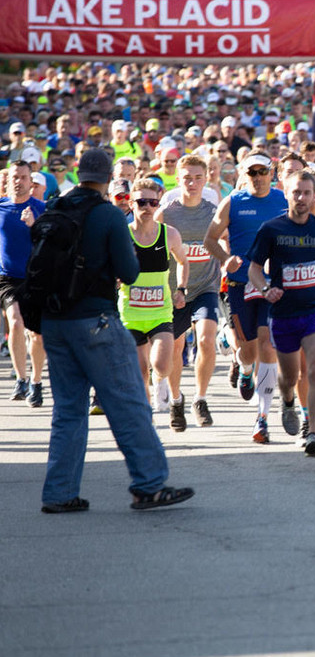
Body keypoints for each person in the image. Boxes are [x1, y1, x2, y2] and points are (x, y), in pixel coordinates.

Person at [40, 149, 194, 513]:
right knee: (129, 402)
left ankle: (59, 493)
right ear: (108, 179)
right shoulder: (108, 214)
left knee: (68, 410)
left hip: (54, 322)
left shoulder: (55, 209)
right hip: (94, 319)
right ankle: (149, 485)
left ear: (78, 173)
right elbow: (129, 272)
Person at [248, 171, 315, 456]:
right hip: (283, 313)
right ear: (286, 194)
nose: (302, 198)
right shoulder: (271, 229)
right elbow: (254, 268)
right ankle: (288, 399)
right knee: (290, 377)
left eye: (307, 192)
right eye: (296, 192)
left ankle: (313, 433)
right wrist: (266, 289)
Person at [205, 152, 288, 441]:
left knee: (268, 345)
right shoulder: (233, 202)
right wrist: (225, 259)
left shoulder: (283, 200)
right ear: (244, 174)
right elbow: (209, 239)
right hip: (240, 284)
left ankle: (262, 418)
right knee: (247, 350)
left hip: (272, 284)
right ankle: (244, 367)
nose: (257, 177)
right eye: (252, 172)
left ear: (271, 173)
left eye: (262, 172)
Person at [156, 155, 219, 429]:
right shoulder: (166, 213)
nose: (192, 183)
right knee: (176, 347)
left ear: (205, 179)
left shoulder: (214, 211)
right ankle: (176, 400)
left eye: (197, 178)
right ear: (178, 180)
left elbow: (227, 238)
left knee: (206, 338)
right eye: (187, 178)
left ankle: (200, 399)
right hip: (174, 290)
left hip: (206, 286)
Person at [120, 178, 188, 422]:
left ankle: (167, 389)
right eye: (141, 202)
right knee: (139, 374)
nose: (147, 207)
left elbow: (183, 261)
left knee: (161, 366)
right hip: (131, 315)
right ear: (131, 204)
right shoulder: (122, 235)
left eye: (153, 202)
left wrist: (181, 289)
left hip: (160, 313)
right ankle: (145, 419)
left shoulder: (169, 234)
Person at [0, 160, 47, 407]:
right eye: (14, 177)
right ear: (8, 180)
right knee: (16, 321)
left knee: (36, 334)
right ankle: (21, 379)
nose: (18, 181)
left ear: (31, 182)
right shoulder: (1, 207)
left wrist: (34, 226)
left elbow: (52, 244)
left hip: (36, 277)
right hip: (7, 278)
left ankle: (36, 382)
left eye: (23, 177)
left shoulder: (42, 209)